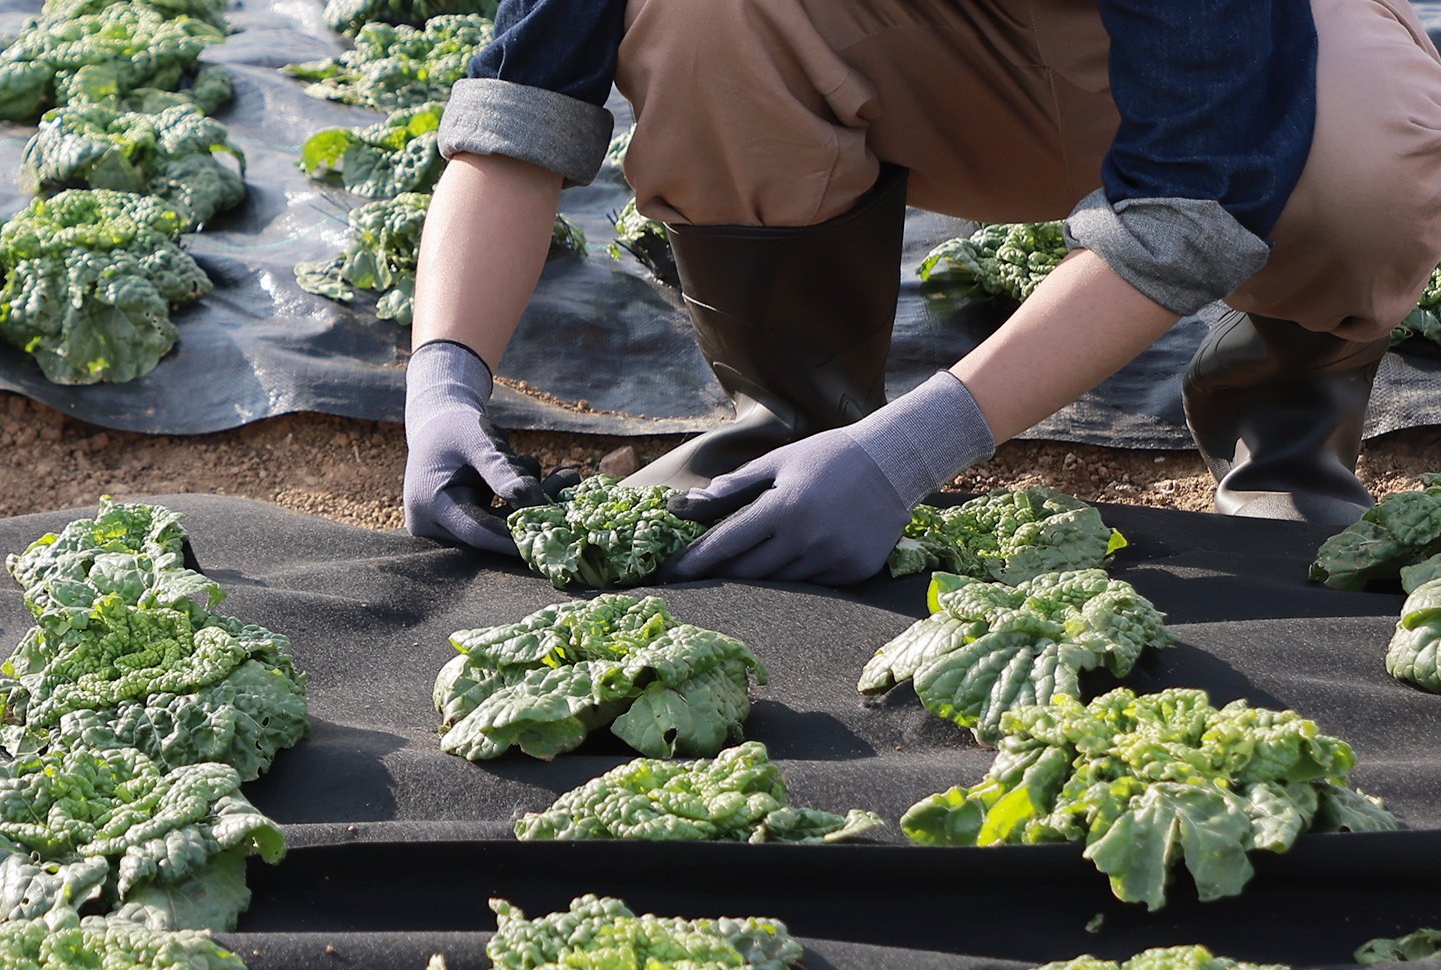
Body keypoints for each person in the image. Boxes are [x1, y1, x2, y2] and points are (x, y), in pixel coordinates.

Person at [402, 0, 1441, 585]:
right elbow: (522, 105)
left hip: (1228, 46)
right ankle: (794, 416)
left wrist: (914, 449)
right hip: (915, 50)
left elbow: (1190, 199)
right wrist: (441, 384)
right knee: (699, 15)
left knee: (1358, 160)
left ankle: (1286, 418)